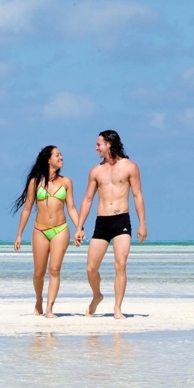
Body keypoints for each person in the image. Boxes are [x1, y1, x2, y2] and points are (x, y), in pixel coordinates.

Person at [74, 130, 147, 319]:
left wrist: (142, 223)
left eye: (99, 144)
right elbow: (88, 199)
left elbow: (137, 195)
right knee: (91, 268)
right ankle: (97, 295)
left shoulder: (130, 167)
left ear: (109, 144)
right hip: (102, 222)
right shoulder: (96, 171)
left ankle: (117, 308)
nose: (96, 148)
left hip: (121, 219)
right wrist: (79, 227)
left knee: (120, 264)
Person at [13, 146, 81, 318]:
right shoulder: (34, 182)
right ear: (48, 159)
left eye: (61, 154)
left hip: (60, 229)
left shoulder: (66, 182)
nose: (61, 157)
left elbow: (71, 208)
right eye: (57, 155)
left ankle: (50, 308)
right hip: (40, 230)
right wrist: (19, 234)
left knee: (55, 269)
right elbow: (27, 209)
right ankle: (38, 300)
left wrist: (79, 228)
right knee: (38, 273)